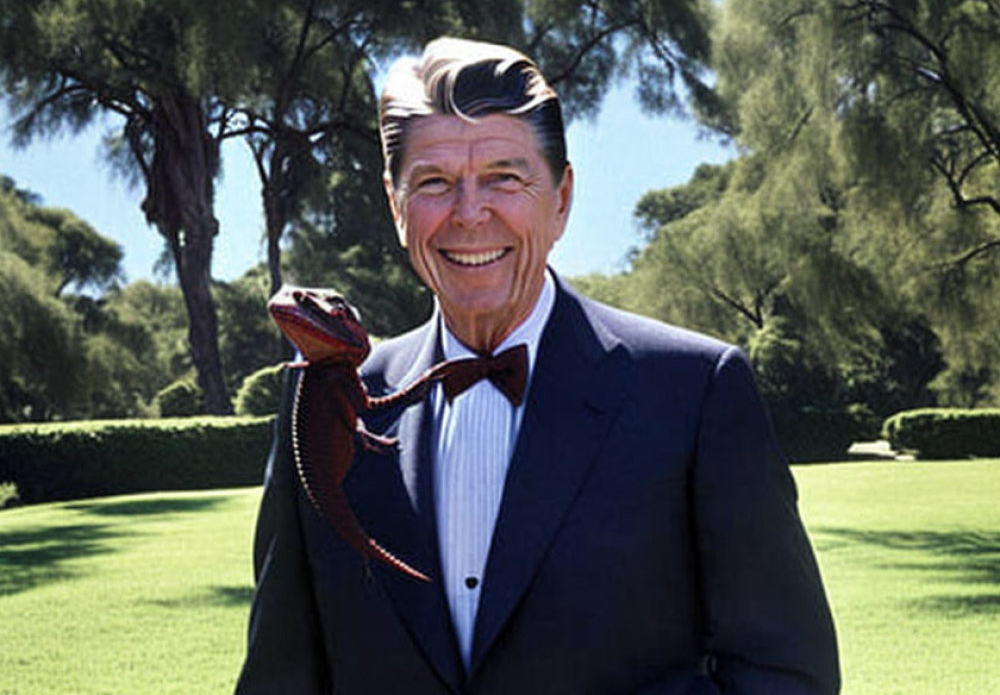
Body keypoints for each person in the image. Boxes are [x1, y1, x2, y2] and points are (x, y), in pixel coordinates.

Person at [235, 37, 840, 694]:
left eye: (504, 177)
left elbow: (785, 675)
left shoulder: (694, 392)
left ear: (562, 198)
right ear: (395, 204)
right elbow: (279, 677)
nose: (470, 213)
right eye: (435, 183)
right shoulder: (320, 403)